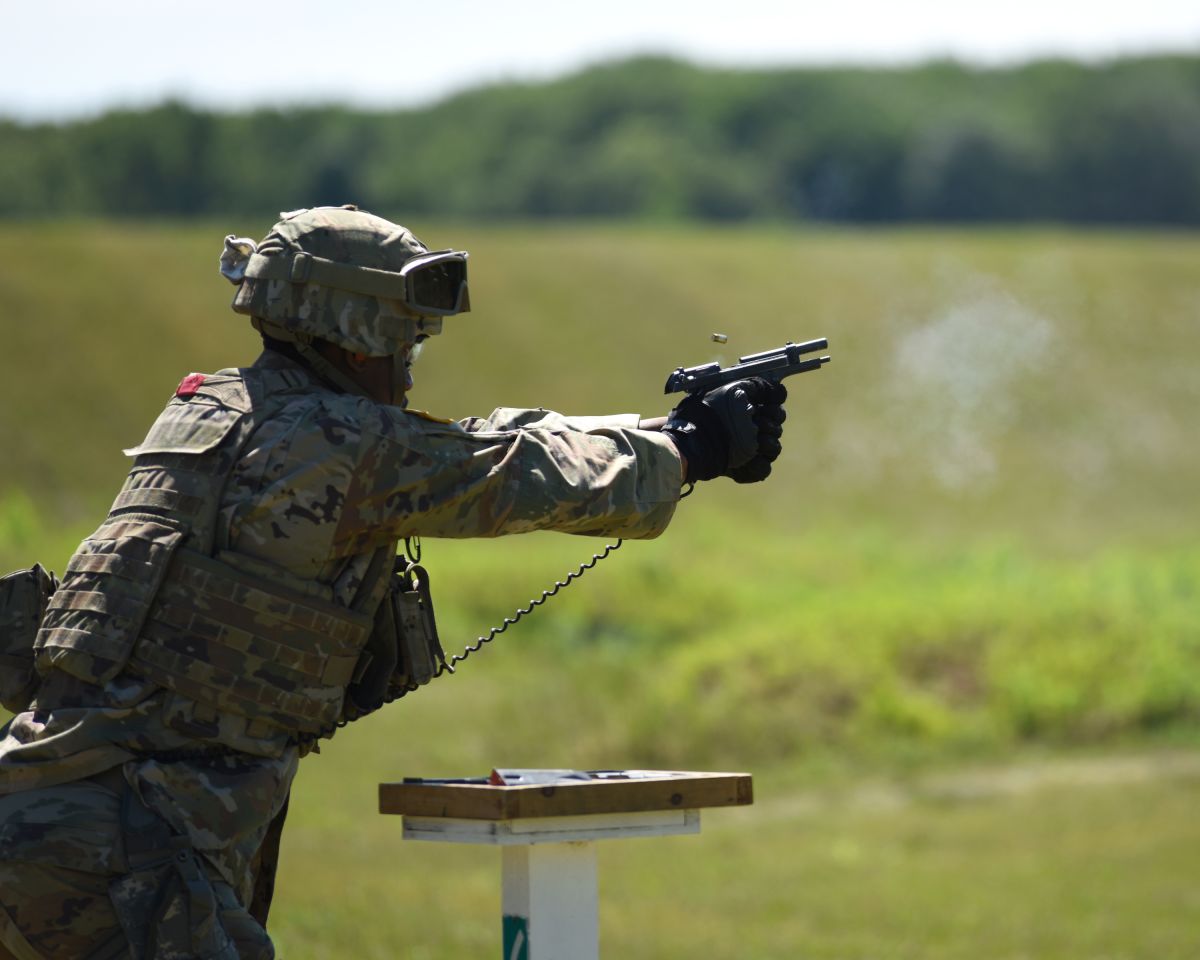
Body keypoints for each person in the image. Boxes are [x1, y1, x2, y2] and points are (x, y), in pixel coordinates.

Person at [0, 206, 787, 959]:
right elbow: (505, 472)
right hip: (117, 852)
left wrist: (659, 433)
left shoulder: (215, 411)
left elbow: (476, 441)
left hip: (55, 818)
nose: (412, 357)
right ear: (351, 332)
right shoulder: (340, 443)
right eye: (405, 336)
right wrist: (695, 446)